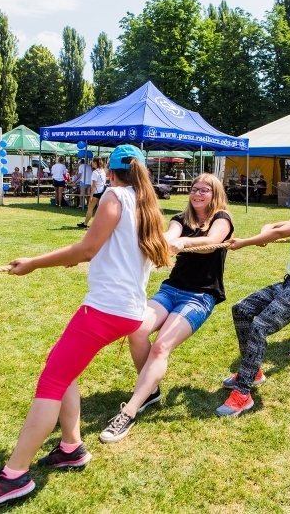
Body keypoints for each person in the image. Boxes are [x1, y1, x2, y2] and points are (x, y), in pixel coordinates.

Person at [0, 144, 170, 511]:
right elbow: (108, 250)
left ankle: (15, 475)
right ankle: (71, 446)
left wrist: (33, 263)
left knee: (52, 381)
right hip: (127, 311)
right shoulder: (146, 204)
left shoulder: (114, 195)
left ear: (109, 172)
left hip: (105, 311)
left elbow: (87, 249)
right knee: (66, 370)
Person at [99, 173, 233, 442]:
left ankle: (130, 411)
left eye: (204, 190)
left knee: (161, 347)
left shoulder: (222, 219)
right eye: (194, 189)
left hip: (201, 295)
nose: (197, 194)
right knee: (136, 331)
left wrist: (184, 242)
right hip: (171, 290)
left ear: (215, 193)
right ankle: (150, 390)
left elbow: (211, 243)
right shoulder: (181, 220)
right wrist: (163, 239)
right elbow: (170, 234)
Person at [216, 178, 290, 417]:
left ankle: (243, 393)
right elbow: (275, 224)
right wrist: (264, 235)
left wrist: (247, 243)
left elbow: (279, 231)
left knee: (260, 326)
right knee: (241, 309)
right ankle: (253, 370)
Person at [77, 157, 106, 228]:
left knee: (90, 209)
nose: (91, 163)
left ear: (95, 163)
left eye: (92, 162)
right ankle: (99, 224)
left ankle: (85, 223)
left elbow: (94, 185)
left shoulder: (95, 172)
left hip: (96, 192)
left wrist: (91, 195)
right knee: (99, 210)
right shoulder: (103, 171)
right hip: (102, 192)